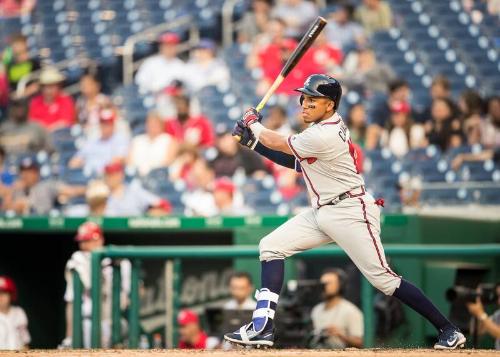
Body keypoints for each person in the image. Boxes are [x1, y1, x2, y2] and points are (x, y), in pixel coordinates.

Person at [224, 74, 466, 349]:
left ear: (330, 105)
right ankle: (262, 326)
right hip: (323, 211)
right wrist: (253, 143)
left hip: (350, 211)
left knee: (383, 280)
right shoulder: (318, 132)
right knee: (271, 246)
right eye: (304, 98)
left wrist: (254, 124)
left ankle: (448, 329)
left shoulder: (324, 134)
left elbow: (278, 142)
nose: (305, 103)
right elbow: (297, 164)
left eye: (313, 99)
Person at [60, 222, 131, 349]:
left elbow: (131, 297)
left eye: (87, 240)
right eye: (81, 241)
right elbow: (71, 302)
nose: (83, 245)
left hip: (114, 320)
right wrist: (69, 336)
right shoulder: (77, 262)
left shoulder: (118, 260)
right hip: (89, 321)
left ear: (100, 240)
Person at [1, 157, 85, 215]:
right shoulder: (17, 188)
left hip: (42, 222)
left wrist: (89, 189)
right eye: (23, 171)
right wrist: (10, 192)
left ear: (37, 173)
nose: (26, 175)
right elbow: (5, 210)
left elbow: (70, 190)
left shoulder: (46, 185)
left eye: (30, 171)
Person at [310, 268, 363, 349]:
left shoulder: (351, 311)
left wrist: (341, 335)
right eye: (322, 284)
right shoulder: (316, 310)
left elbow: (361, 343)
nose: (324, 287)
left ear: (341, 285)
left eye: (328, 283)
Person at [69, 108, 129, 175]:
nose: (105, 126)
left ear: (113, 124)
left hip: (107, 176)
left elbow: (118, 160)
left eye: (108, 123)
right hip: (88, 175)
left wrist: (101, 171)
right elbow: (75, 161)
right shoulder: (93, 139)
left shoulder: (120, 139)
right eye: (103, 123)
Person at [103, 162, 171, 217]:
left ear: (121, 175)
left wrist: (149, 215)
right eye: (108, 175)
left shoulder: (134, 191)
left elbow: (163, 204)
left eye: (114, 174)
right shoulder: (101, 194)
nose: (110, 178)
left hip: (134, 232)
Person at [128, 111, 178, 176]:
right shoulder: (137, 140)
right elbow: (129, 161)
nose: (152, 126)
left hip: (159, 176)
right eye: (150, 123)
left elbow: (169, 161)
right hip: (137, 175)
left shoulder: (168, 140)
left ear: (161, 125)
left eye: (155, 123)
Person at [0, 275, 30, 350]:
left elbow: (25, 343)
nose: (0, 296)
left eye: (4, 292)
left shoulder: (19, 312)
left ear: (11, 295)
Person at [466, 284, 500, 350]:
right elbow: (478, 330)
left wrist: (481, 314)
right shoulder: (498, 314)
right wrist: (477, 312)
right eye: (498, 296)